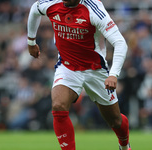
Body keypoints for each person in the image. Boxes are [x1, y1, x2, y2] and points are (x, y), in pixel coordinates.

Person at [27, 0, 131, 150]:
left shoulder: (94, 10)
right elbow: (34, 9)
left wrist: (113, 75)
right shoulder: (51, 4)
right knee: (58, 105)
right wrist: (31, 41)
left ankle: (124, 145)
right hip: (67, 67)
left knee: (115, 121)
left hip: (95, 70)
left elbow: (120, 42)